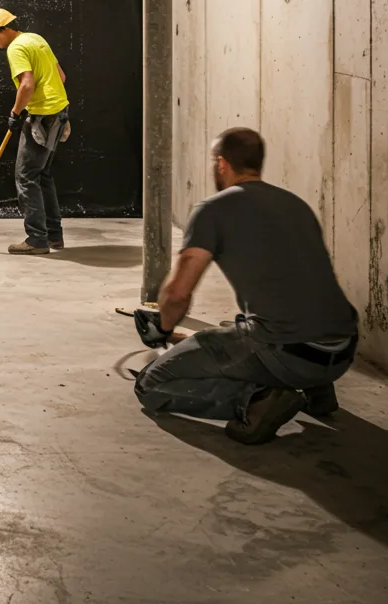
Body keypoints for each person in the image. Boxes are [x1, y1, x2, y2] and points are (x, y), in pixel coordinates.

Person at [132, 127, 359, 444]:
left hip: (287, 355)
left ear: (222, 164)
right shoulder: (296, 205)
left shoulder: (213, 209)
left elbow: (178, 295)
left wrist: (164, 328)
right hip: (342, 349)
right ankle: (316, 393)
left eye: (215, 162)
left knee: (150, 384)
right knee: (247, 325)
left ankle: (256, 401)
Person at [0, 8, 70, 255]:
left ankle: (36, 239)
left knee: (26, 177)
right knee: (42, 176)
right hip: (59, 112)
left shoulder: (16, 48)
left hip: (42, 117)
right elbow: (61, 76)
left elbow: (27, 84)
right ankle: (54, 236)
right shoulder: (36, 39)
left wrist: (15, 113)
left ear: (2, 30)